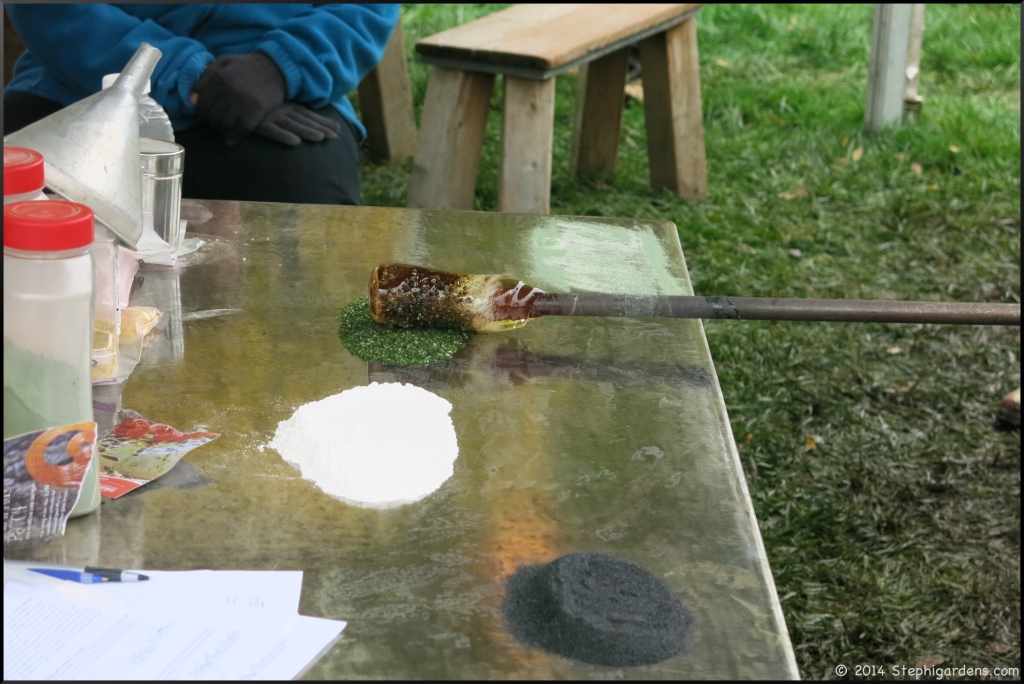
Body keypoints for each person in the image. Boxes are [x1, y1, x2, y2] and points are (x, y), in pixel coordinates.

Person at [4, 3, 400, 206]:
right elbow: (51, 9)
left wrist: (278, 67)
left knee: (313, 233)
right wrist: (189, 77)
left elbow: (364, 9)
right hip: (84, 80)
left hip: (282, 93)